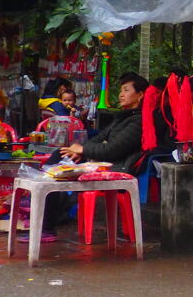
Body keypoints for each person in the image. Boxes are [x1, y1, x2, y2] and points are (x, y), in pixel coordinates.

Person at [39, 73, 149, 240]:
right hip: (101, 161)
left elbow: (112, 150)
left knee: (58, 161)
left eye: (126, 90)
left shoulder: (138, 121)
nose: (121, 94)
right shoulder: (122, 118)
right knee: (59, 155)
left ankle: (46, 226)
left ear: (140, 95)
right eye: (121, 90)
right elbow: (97, 138)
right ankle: (43, 218)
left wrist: (83, 150)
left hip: (116, 167)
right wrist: (79, 150)